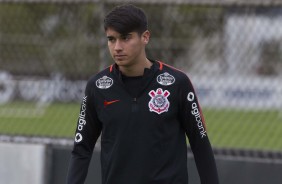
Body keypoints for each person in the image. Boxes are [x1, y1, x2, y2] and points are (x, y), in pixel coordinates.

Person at [66, 4, 219, 184]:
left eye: (125, 38)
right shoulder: (97, 87)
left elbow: (200, 142)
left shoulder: (178, 83)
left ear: (145, 37)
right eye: (111, 39)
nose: (117, 47)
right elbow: (81, 148)